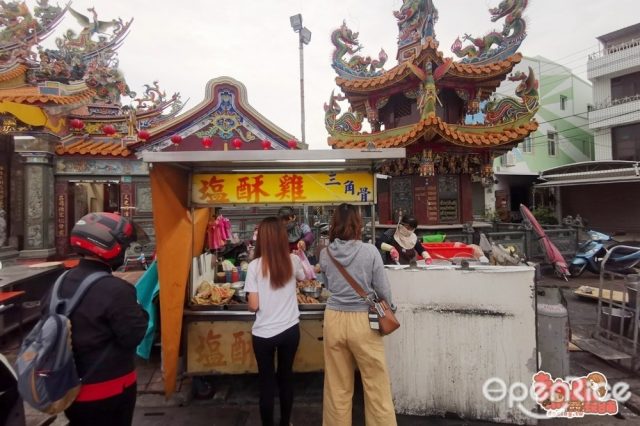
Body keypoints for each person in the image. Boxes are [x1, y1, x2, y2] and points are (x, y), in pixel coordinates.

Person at [43, 212, 149, 426]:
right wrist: (142, 312)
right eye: (124, 245)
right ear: (111, 246)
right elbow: (134, 335)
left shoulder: (58, 283)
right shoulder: (117, 290)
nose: (126, 251)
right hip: (110, 387)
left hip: (69, 388)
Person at [318, 203, 397, 426]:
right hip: (364, 322)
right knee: (375, 385)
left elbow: (327, 285)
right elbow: (383, 290)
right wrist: (390, 308)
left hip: (333, 318)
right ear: (358, 224)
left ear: (334, 224)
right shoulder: (370, 251)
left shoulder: (325, 254)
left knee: (337, 386)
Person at [245, 217, 305, 426]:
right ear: (282, 238)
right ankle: (285, 422)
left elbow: (253, 305)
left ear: (261, 239)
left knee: (266, 383)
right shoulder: (292, 260)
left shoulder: (254, 266)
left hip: (263, 334)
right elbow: (305, 277)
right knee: (286, 378)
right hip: (290, 331)